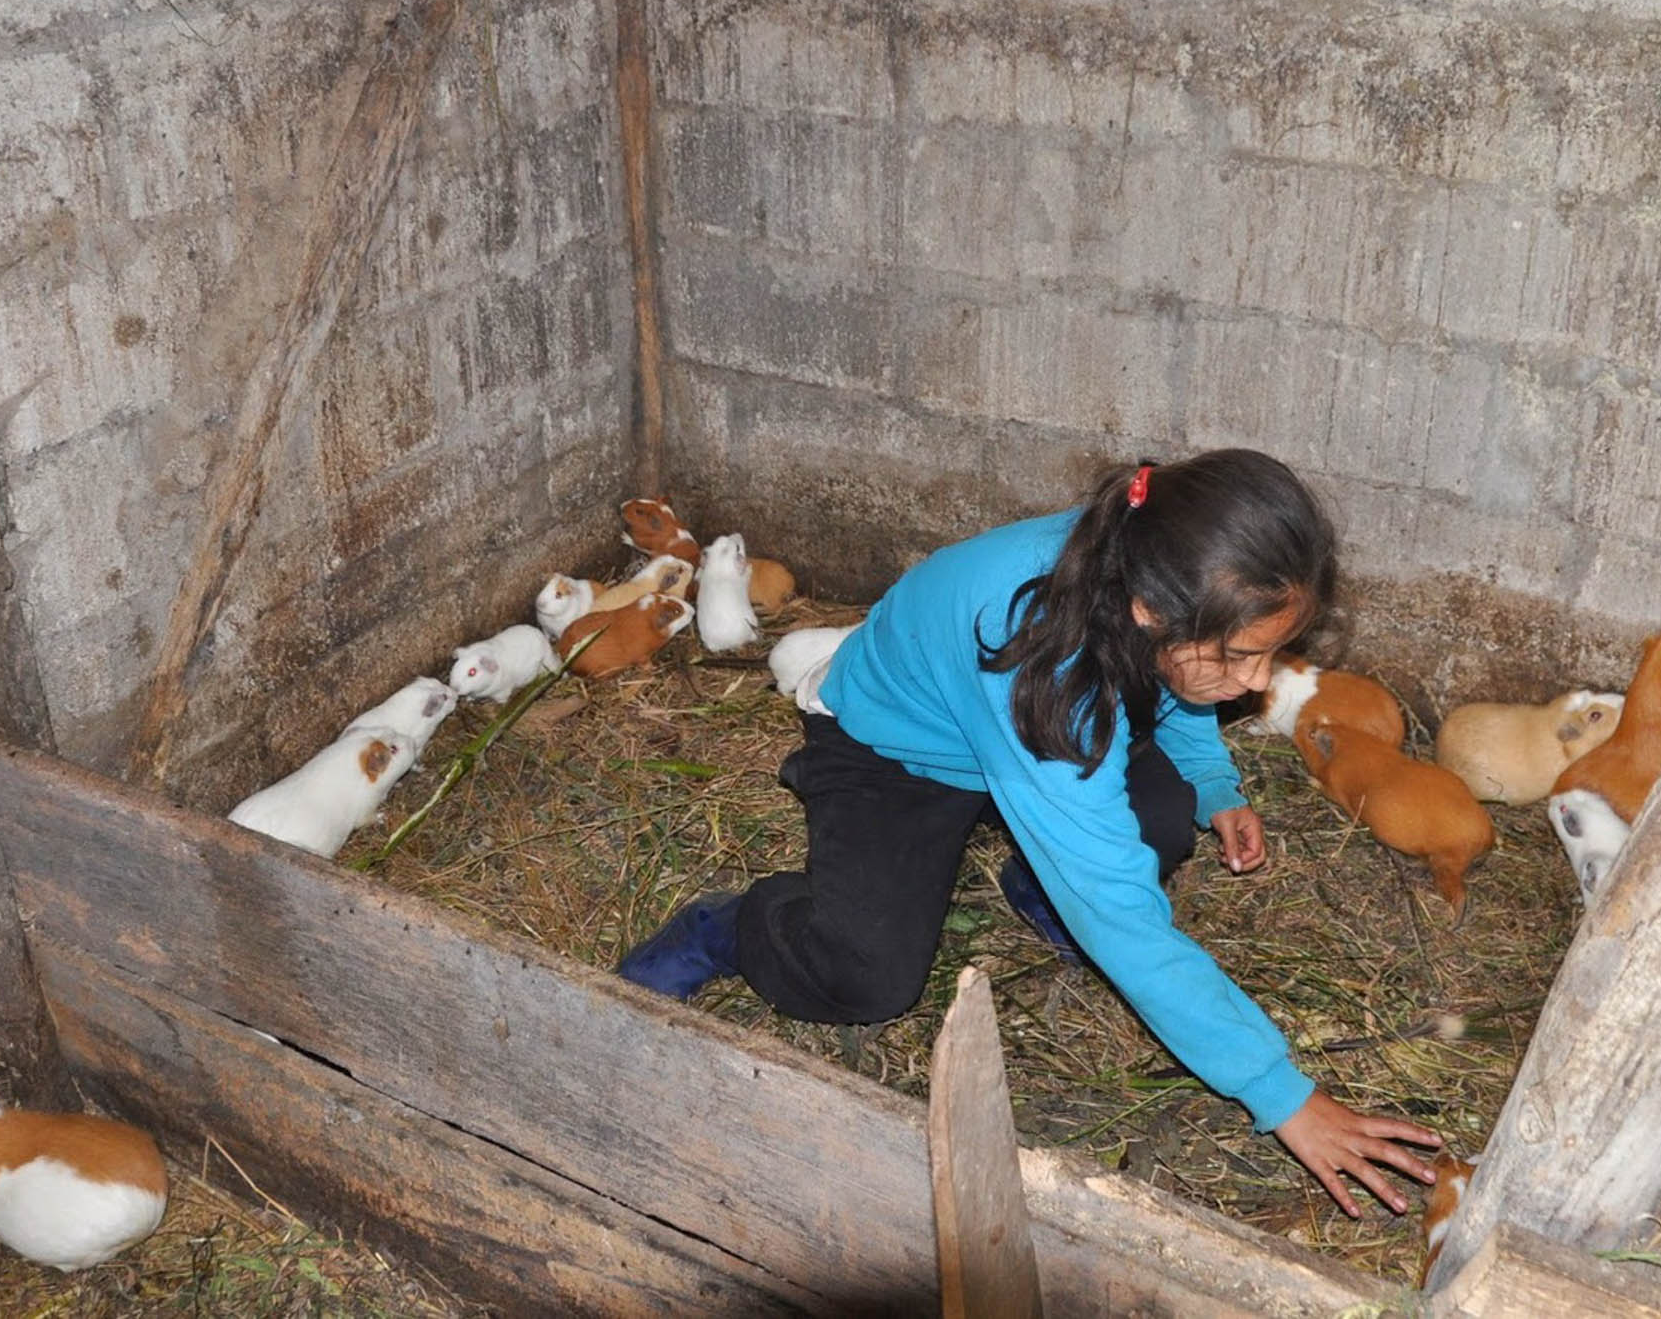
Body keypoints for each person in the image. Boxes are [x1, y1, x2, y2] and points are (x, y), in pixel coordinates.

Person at [617, 448, 1441, 1216]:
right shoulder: (1047, 658)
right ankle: (727, 928)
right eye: (1239, 656)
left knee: (1161, 820)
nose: (1256, 685)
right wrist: (1279, 1091)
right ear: (1153, 608)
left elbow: (1177, 688)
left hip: (1033, 738)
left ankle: (1033, 874)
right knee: (866, 977)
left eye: (1271, 654)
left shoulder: (1152, 559)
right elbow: (1115, 909)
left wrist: (1211, 784)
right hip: (896, 750)